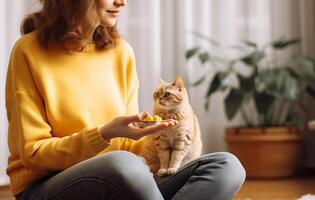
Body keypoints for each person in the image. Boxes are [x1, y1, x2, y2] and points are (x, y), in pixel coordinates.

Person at [5, 0, 246, 199]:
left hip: (121, 178)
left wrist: (157, 134)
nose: (122, 2)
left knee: (226, 166)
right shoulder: (28, 51)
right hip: (47, 187)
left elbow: (129, 147)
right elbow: (34, 153)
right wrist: (103, 135)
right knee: (124, 165)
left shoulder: (121, 51)